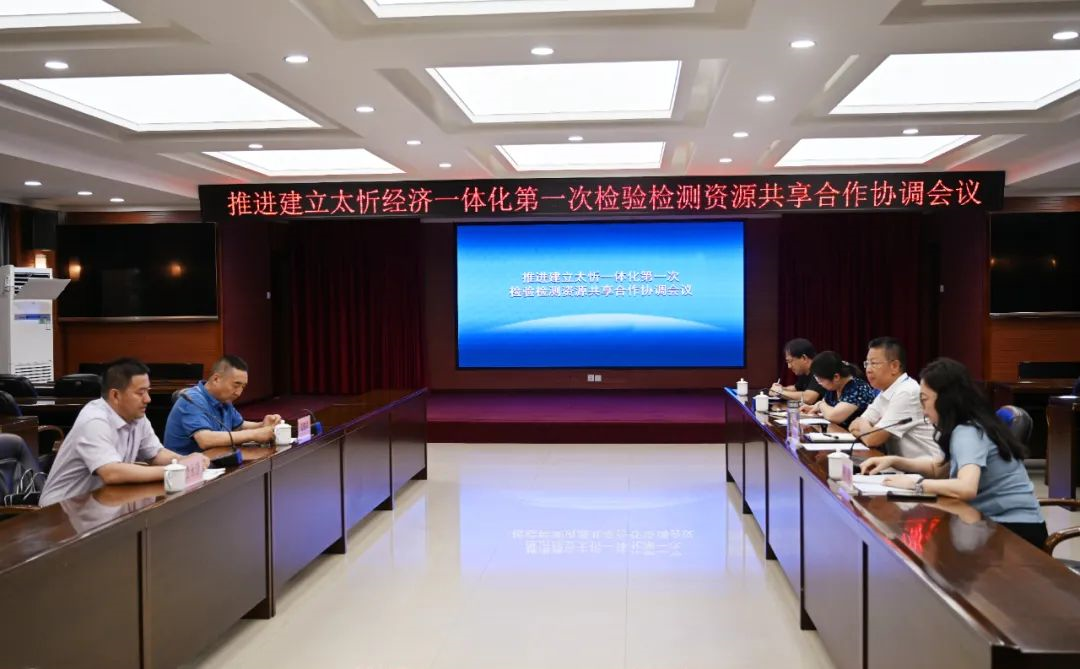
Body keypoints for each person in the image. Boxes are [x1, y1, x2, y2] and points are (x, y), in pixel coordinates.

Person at [861, 358, 1047, 548]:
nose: (923, 411)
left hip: (1015, 533)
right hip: (992, 523)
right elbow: (938, 468)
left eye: (924, 400)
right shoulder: (967, 424)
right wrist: (894, 460)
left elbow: (966, 487)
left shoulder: (968, 431)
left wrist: (916, 484)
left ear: (945, 399)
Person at [39, 359, 208, 507]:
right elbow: (111, 473)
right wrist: (174, 471)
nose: (148, 399)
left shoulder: (136, 416)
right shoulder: (94, 420)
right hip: (60, 511)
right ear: (115, 395)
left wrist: (187, 461)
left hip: (101, 502)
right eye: (140, 393)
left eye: (148, 391)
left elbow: (156, 454)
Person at [164, 355, 281, 456]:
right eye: (236, 385)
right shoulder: (191, 400)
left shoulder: (223, 399)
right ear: (216, 379)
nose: (239, 393)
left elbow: (238, 426)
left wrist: (262, 425)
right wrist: (253, 434)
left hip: (215, 462)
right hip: (186, 469)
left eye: (243, 387)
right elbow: (205, 440)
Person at [848, 337, 943, 461]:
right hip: (898, 465)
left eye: (874, 363)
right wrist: (866, 428)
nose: (868, 370)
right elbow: (854, 426)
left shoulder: (907, 392)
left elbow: (873, 439)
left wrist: (865, 427)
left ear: (895, 366)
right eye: (867, 363)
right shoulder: (886, 391)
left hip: (925, 468)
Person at [801, 351, 878, 428]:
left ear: (836, 377)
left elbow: (833, 416)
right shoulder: (834, 387)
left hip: (857, 433)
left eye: (820, 380)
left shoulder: (858, 388)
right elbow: (826, 408)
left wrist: (820, 404)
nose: (819, 383)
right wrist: (811, 408)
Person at [770, 338, 826, 405]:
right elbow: (795, 388)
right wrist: (780, 388)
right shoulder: (804, 372)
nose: (789, 366)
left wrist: (778, 392)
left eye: (790, 361)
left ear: (804, 358)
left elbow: (808, 398)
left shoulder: (819, 369)